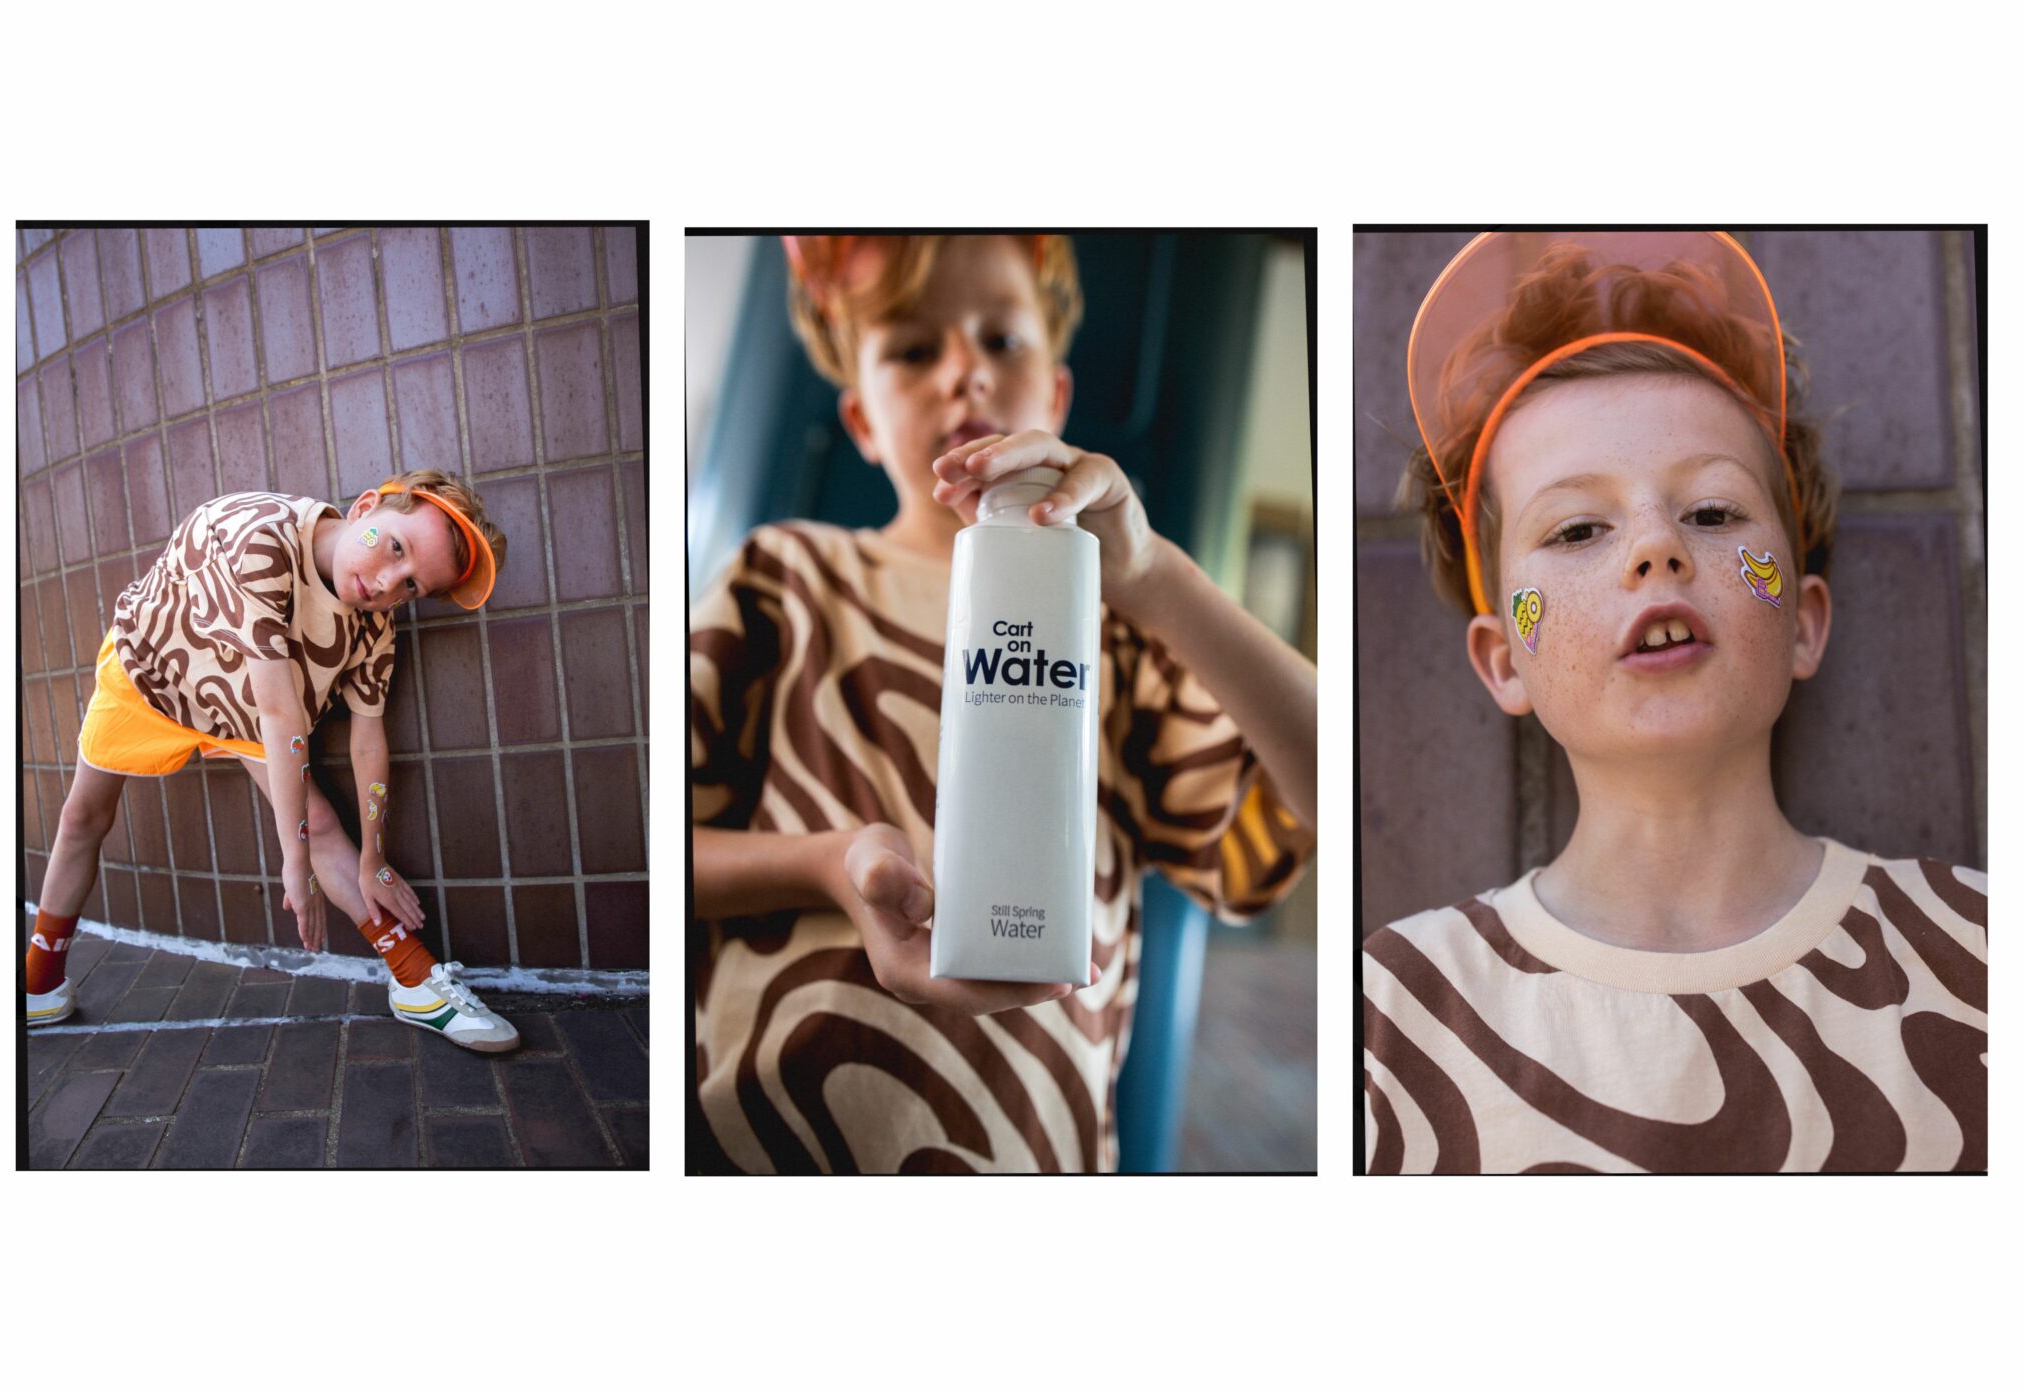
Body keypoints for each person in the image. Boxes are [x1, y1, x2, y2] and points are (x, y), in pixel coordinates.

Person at [690, 234, 1317, 1172]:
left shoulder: (1119, 626)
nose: (965, 374)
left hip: (1030, 1152)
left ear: (1056, 397)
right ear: (861, 419)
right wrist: (828, 863)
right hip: (756, 1139)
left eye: (1002, 339)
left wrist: (1147, 573)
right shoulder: (784, 574)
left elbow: (1323, 784)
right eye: (912, 349)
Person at [1363, 232, 1986, 1173]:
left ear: (1806, 624)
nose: (1656, 547)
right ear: (1504, 663)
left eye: (1713, 512)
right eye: (1576, 527)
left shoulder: (1983, 955)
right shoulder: (1391, 1013)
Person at [25, 469, 521, 1054]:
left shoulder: (373, 624)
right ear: (366, 507)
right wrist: (294, 859)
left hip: (243, 706)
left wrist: (374, 858)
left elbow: (367, 742)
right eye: (395, 547)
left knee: (328, 826)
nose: (388, 583)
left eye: (411, 585)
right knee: (84, 817)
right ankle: (38, 986)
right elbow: (283, 715)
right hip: (156, 675)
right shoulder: (263, 537)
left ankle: (416, 982)